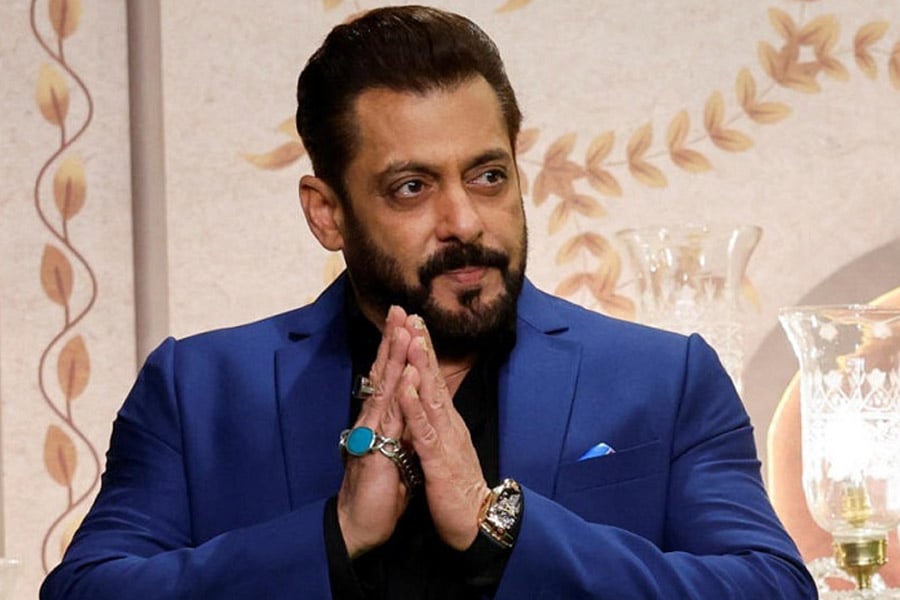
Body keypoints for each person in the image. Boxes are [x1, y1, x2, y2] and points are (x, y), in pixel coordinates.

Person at [41, 5, 816, 599]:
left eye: (488, 176)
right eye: (412, 188)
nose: (465, 222)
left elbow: (772, 588)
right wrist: (335, 534)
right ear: (327, 213)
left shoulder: (666, 380)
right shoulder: (198, 390)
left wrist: (497, 526)